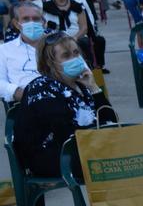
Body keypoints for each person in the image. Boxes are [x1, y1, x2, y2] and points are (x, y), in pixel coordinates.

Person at [13, 32, 117, 178]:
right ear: (50, 62)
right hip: (54, 157)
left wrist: (94, 88)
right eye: (66, 55)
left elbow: (111, 122)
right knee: (121, 160)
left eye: (76, 53)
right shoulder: (43, 89)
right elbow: (64, 134)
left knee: (135, 149)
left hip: (83, 148)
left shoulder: (80, 84)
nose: (74, 59)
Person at [44, 0, 105, 71]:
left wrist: (74, 38)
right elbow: (43, 25)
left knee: (84, 43)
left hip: (76, 37)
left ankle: (88, 69)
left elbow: (84, 28)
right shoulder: (46, 7)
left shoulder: (77, 6)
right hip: (55, 38)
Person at [0, 2, 47, 103]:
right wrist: (18, 92)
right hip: (25, 104)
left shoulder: (59, 44)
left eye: (36, 19)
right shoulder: (4, 50)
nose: (31, 23)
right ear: (17, 24)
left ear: (43, 22)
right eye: (26, 19)